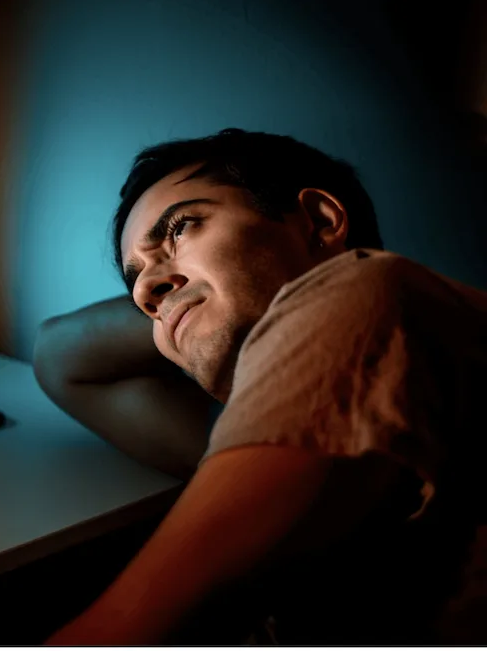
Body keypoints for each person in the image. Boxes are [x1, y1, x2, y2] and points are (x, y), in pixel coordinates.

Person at [33, 129, 487, 645]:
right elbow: (58, 354)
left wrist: (205, 296)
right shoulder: (286, 423)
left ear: (318, 221)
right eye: (136, 278)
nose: (143, 291)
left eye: (181, 227)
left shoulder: (365, 293)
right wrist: (184, 294)